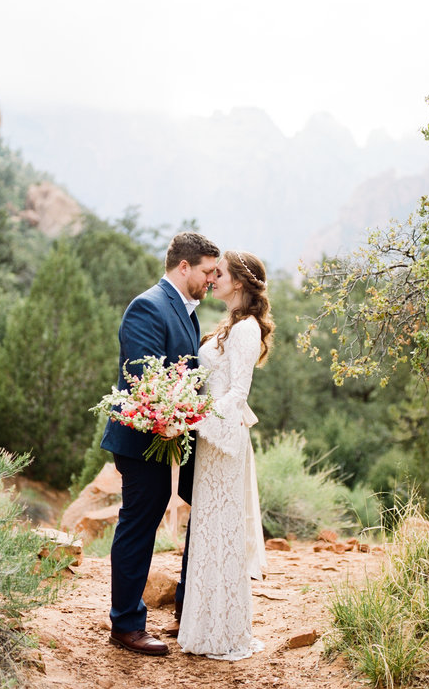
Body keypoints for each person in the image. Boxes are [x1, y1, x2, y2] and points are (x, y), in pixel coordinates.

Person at [102, 231, 220, 657]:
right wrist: (170, 414)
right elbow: (144, 378)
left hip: (174, 436)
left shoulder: (187, 312)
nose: (212, 279)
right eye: (207, 271)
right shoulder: (148, 306)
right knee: (139, 524)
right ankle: (126, 625)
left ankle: (188, 611)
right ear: (183, 266)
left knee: (181, 513)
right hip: (140, 438)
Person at [177, 250, 274, 661]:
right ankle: (204, 627)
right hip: (210, 442)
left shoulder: (247, 328)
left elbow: (237, 395)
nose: (212, 278)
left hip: (223, 442)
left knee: (222, 535)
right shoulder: (230, 325)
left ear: (238, 283)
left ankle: (223, 632)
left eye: (220, 273)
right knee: (208, 534)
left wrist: (194, 415)